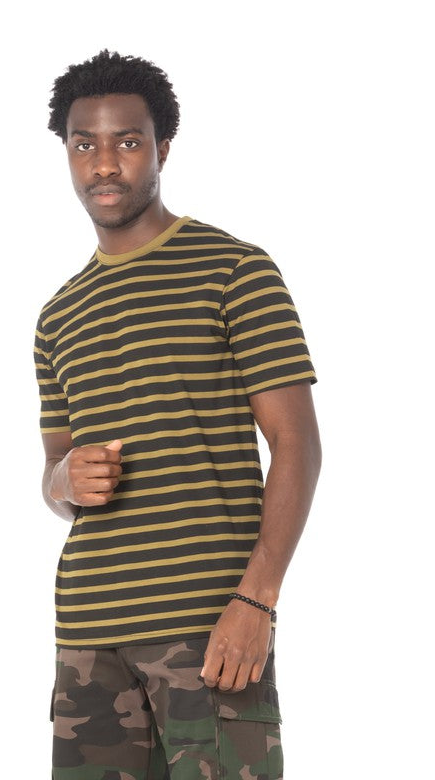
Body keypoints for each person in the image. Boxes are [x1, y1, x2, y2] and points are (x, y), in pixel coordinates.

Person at [33, 48, 322, 780]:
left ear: (163, 147)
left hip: (208, 627)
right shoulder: (57, 316)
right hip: (88, 638)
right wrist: (64, 480)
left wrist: (257, 599)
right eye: (84, 145)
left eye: (127, 142)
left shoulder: (235, 270)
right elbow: (53, 474)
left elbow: (296, 442)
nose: (104, 164)